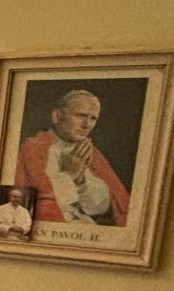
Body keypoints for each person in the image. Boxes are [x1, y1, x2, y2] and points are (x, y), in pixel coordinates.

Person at [15, 89, 130, 225]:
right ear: (56, 116)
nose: (86, 125)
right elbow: (33, 204)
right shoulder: (33, 148)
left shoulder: (91, 153)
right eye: (80, 116)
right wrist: (69, 175)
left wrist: (81, 181)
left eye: (93, 118)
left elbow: (102, 209)